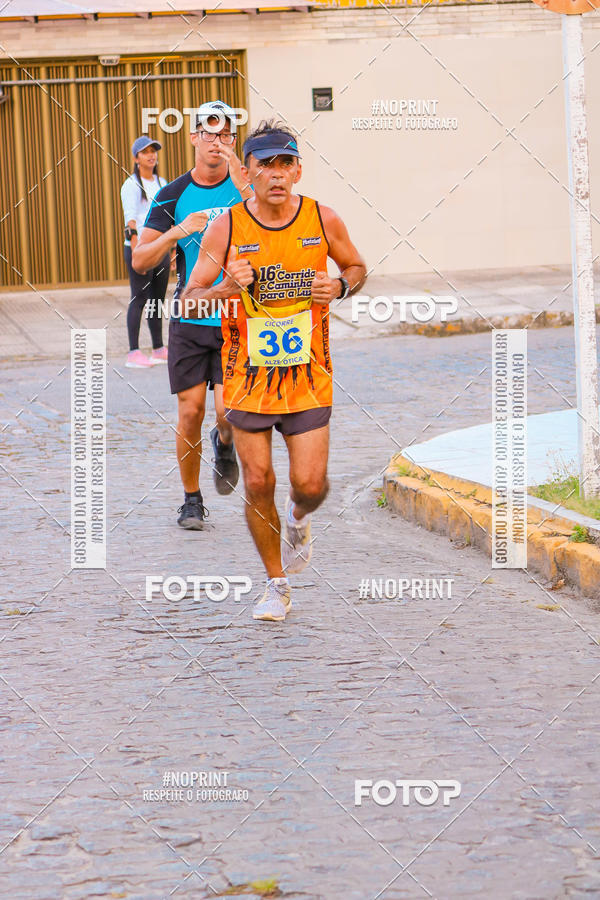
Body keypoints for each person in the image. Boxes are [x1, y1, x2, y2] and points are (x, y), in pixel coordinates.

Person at [182, 120, 366, 621]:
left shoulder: (323, 219)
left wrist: (341, 287)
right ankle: (276, 584)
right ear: (250, 171)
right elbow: (189, 297)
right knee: (258, 480)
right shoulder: (227, 227)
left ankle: (300, 518)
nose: (277, 175)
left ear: (299, 169)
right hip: (246, 379)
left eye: (286, 164)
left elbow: (356, 267)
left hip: (308, 376)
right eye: (266, 165)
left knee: (309, 485)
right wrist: (224, 288)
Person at [133, 101, 253, 528]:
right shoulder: (172, 195)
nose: (215, 142)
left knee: (227, 413)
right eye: (208, 133)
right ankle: (191, 499)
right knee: (189, 412)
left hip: (237, 320)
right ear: (193, 137)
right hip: (190, 317)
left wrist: (243, 174)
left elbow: (275, 219)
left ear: (233, 142)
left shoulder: (245, 189)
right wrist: (178, 231)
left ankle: (224, 443)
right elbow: (140, 260)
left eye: (224, 136)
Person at [120, 136, 170, 368]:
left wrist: (170, 248)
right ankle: (133, 352)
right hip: (139, 249)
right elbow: (130, 220)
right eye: (145, 152)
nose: (151, 155)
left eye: (154, 151)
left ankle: (158, 348)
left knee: (157, 301)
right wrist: (138, 249)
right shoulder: (131, 185)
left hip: (161, 248)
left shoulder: (162, 183)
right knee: (139, 299)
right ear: (136, 158)